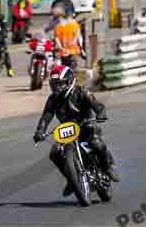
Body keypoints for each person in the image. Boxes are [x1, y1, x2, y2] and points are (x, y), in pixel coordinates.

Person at [33, 66, 120, 197]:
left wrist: (100, 113)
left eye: (59, 84)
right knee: (54, 153)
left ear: (69, 81)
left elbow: (96, 105)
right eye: (54, 84)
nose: (56, 88)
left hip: (87, 125)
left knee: (96, 143)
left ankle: (107, 167)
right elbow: (46, 116)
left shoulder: (82, 91)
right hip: (68, 131)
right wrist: (40, 131)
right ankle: (71, 179)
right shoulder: (52, 99)